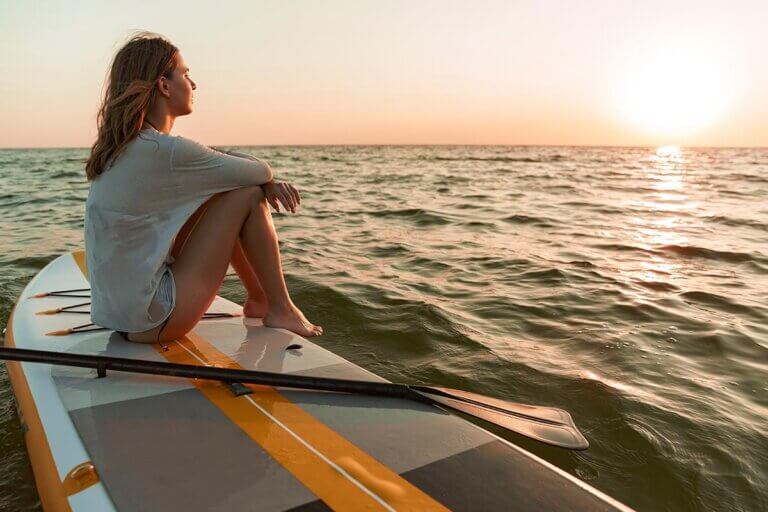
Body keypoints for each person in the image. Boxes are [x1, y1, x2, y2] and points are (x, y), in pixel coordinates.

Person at [83, 32, 322, 344]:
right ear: (164, 85)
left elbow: (221, 169)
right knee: (248, 194)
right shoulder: (163, 151)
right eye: (186, 74)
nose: (193, 85)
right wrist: (267, 183)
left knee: (220, 193)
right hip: (156, 319)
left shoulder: (124, 148)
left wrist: (238, 170)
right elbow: (260, 171)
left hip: (121, 318)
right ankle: (279, 306)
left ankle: (261, 301)